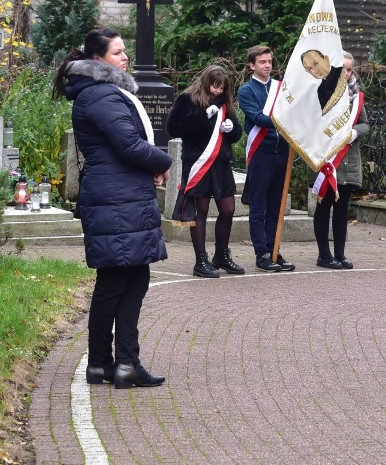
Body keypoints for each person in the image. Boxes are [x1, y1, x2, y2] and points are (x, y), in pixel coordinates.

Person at [51, 28, 172, 389]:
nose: (125, 58)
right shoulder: (102, 94)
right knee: (124, 281)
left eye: (124, 52)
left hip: (117, 195)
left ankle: (107, 365)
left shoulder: (96, 93)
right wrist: (163, 161)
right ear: (98, 59)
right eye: (118, 52)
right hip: (117, 198)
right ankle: (122, 365)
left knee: (121, 280)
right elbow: (128, 144)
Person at [167, 65, 244, 278]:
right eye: (215, 86)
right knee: (200, 211)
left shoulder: (224, 103)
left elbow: (236, 133)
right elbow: (173, 128)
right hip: (198, 163)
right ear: (206, 81)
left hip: (220, 164)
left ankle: (221, 255)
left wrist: (232, 129)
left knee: (228, 209)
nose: (217, 91)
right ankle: (200, 260)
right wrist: (202, 117)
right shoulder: (188, 99)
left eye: (222, 87)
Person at [237, 45, 296, 272]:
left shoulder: (281, 88)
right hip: (261, 153)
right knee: (258, 206)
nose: (268, 66)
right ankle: (261, 253)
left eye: (270, 61)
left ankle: (274, 250)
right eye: (262, 62)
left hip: (282, 153)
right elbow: (258, 118)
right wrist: (285, 121)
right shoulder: (246, 91)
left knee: (276, 206)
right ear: (252, 65)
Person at [309, 51, 369, 269]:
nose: (346, 73)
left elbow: (365, 124)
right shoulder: (321, 92)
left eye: (350, 69)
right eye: (342, 68)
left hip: (348, 159)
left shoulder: (357, 95)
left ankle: (340, 253)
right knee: (324, 207)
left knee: (342, 209)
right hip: (327, 160)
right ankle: (324, 255)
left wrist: (354, 133)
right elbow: (312, 122)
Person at [300, 48, 345, 115]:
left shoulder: (343, 72)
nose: (315, 70)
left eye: (316, 63)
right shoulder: (320, 90)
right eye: (310, 68)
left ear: (326, 59)